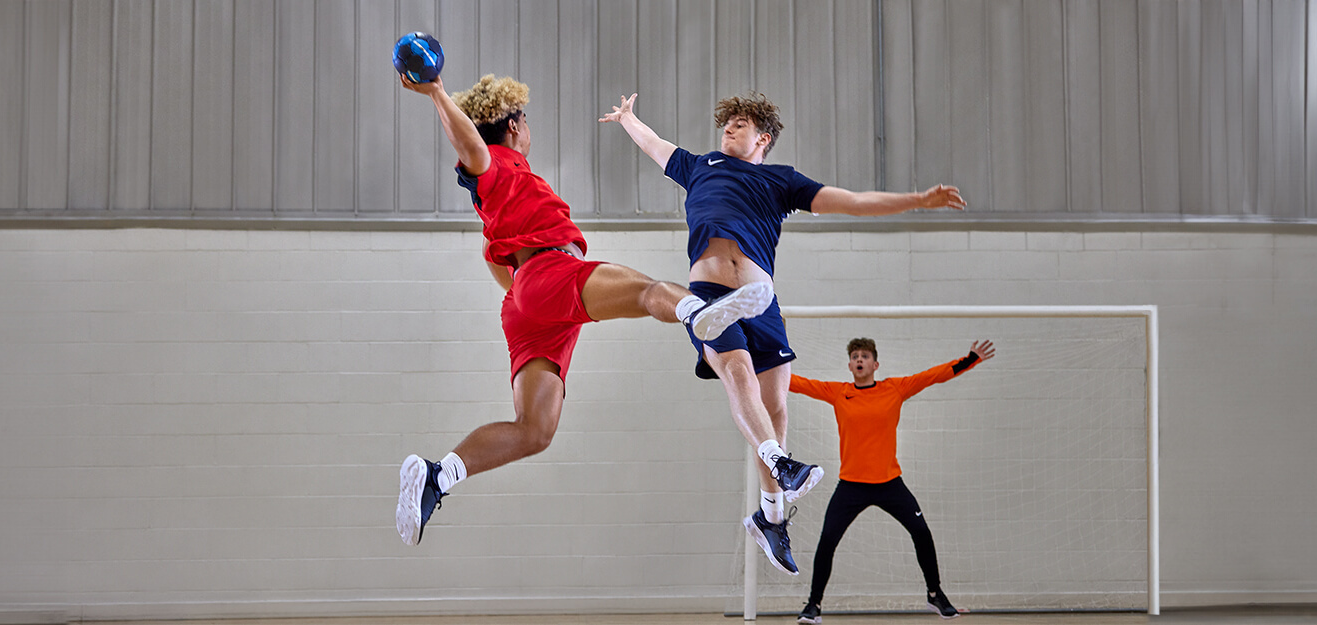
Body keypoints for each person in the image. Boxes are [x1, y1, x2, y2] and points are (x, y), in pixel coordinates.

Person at [394, 71, 775, 546]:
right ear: (513, 124)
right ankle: (701, 315)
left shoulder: (503, 194)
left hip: (526, 301)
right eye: (525, 119)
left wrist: (524, 290)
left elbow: (495, 260)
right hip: (547, 277)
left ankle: (438, 476)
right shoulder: (497, 162)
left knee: (534, 430)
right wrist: (435, 93)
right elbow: (471, 147)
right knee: (649, 290)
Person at [601, 92, 968, 575]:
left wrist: (917, 200)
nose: (728, 129)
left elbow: (853, 203)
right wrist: (629, 118)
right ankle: (781, 461)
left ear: (763, 138)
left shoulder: (782, 180)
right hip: (711, 294)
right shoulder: (698, 165)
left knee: (776, 408)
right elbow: (653, 144)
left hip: (761, 301)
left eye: (739, 124)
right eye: (725, 124)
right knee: (737, 375)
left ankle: (772, 516)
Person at [787, 338, 996, 622]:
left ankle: (935, 595)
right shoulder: (839, 393)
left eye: (865, 356)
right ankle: (814, 605)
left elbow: (931, 376)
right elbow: (796, 383)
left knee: (921, 532)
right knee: (827, 541)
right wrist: (759, 366)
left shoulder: (894, 388)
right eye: (855, 356)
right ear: (849, 365)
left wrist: (971, 359)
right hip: (851, 486)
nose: (860, 360)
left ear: (875, 364)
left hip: (889, 484)